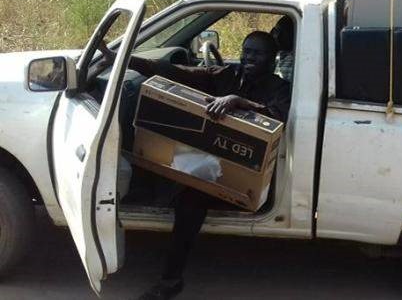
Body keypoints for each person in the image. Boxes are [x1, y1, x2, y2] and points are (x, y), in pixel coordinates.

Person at [103, 31, 291, 299]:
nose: (249, 58)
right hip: (213, 162)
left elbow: (277, 117)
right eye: (246, 51)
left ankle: (170, 280)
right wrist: (119, 59)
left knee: (190, 203)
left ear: (272, 59)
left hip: (246, 176)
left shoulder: (278, 88)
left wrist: (237, 102)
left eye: (257, 53)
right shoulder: (227, 75)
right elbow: (175, 71)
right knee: (154, 156)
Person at [270, 15, 296, 81]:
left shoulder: (294, 60)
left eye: (283, 33)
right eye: (276, 31)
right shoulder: (278, 54)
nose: (277, 36)